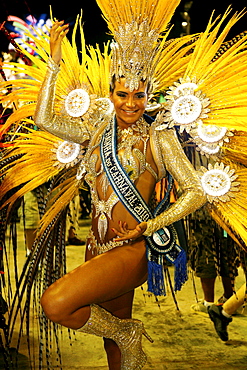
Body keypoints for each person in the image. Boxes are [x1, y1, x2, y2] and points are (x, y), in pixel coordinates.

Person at [32, 19, 206, 370]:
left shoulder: (160, 137)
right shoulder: (96, 129)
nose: (130, 104)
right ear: (110, 94)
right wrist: (54, 63)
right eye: (122, 94)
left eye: (139, 95)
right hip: (97, 246)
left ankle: (129, 334)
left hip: (132, 249)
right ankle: (125, 340)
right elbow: (43, 120)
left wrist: (152, 225)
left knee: (55, 303)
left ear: (148, 94)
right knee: (114, 348)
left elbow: (196, 191)